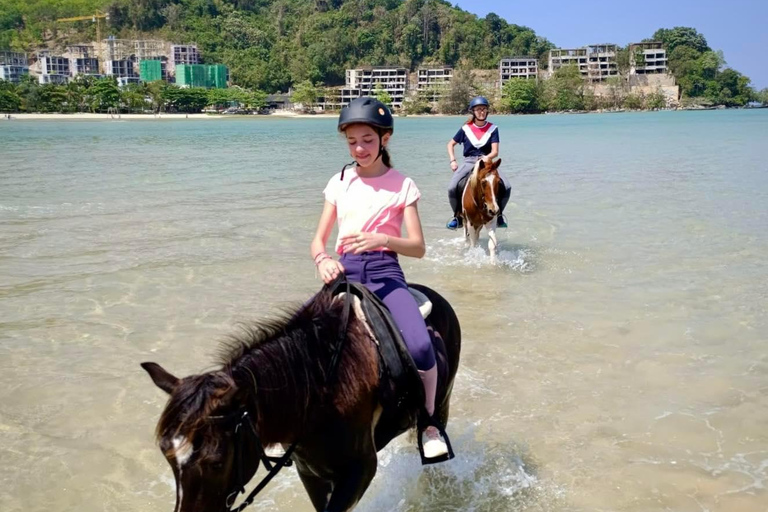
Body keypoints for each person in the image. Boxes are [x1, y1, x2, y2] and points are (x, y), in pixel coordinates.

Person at [310, 97, 449, 461]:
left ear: (384, 138)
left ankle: (430, 422)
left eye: (367, 139)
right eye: (352, 141)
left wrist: (383, 239)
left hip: (386, 271)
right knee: (302, 347)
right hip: (344, 272)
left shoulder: (403, 185)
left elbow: (418, 247)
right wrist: (322, 259)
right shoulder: (338, 183)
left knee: (420, 348)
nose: (359, 148)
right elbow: (317, 240)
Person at [445, 95, 512, 229]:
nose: (481, 111)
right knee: (451, 187)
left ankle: (499, 216)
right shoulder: (466, 129)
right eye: (478, 109)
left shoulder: (493, 128)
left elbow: (495, 152)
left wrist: (487, 158)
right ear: (473, 112)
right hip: (469, 162)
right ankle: (457, 216)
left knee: (507, 186)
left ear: (487, 111)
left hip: (486, 163)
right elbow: (450, 144)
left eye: (484, 109)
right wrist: (453, 160)